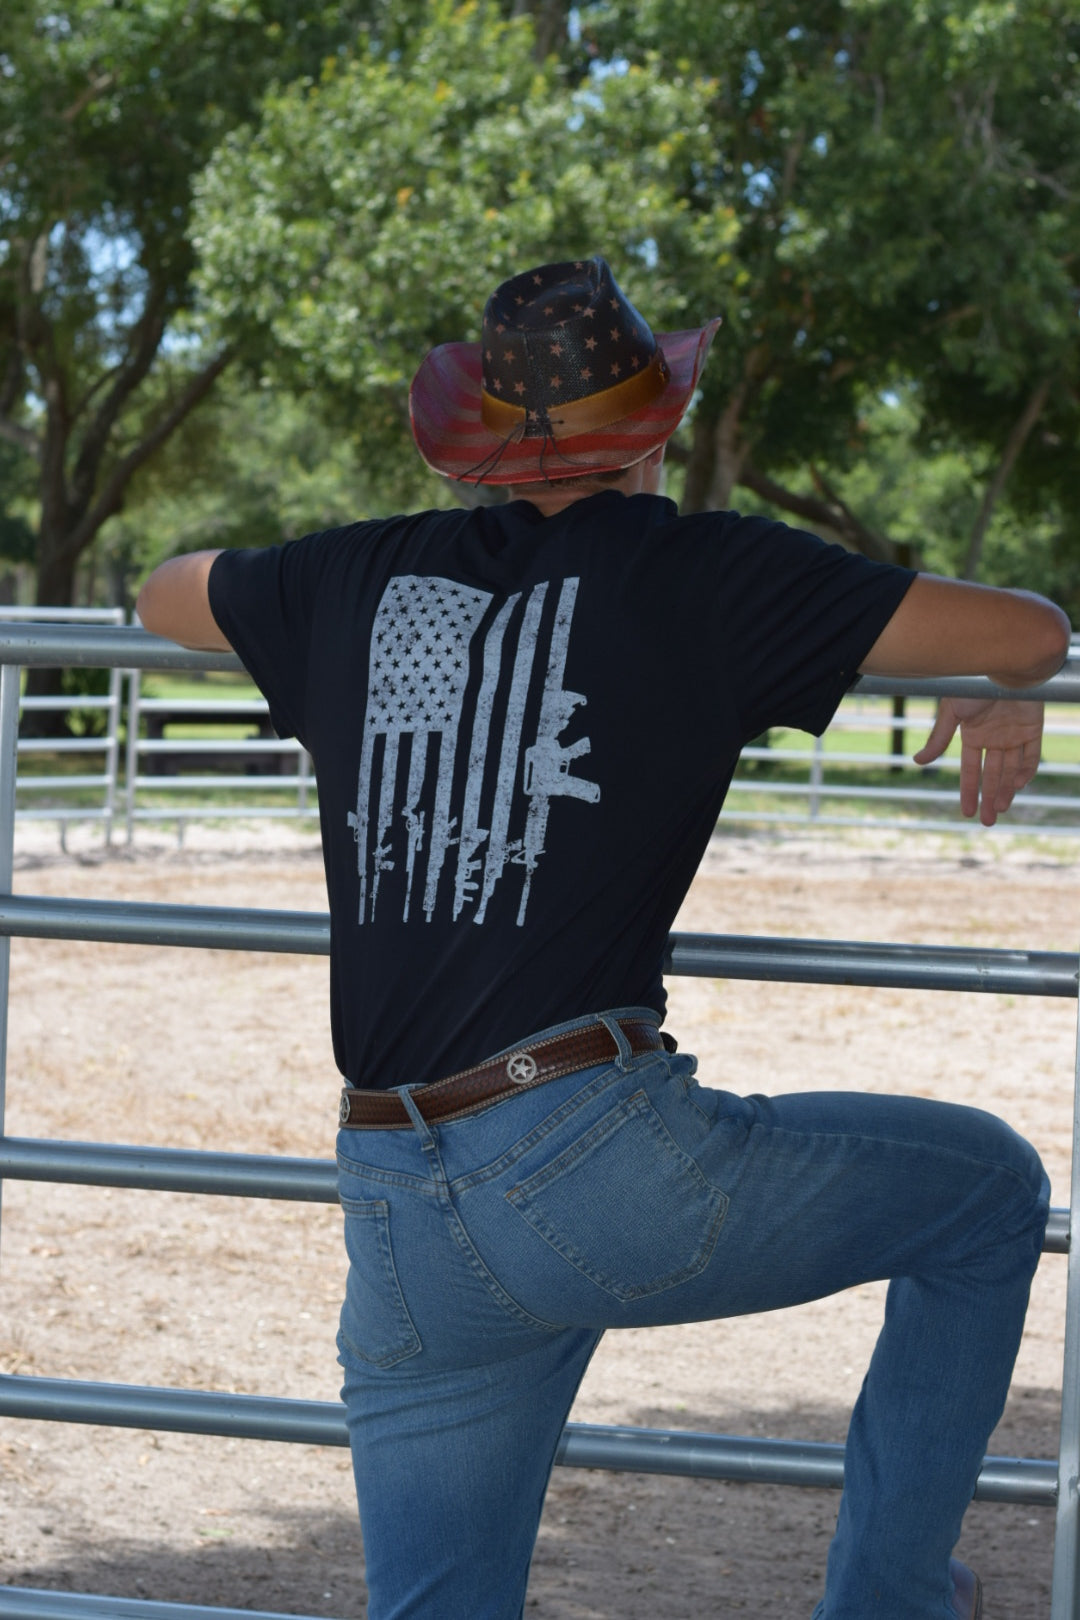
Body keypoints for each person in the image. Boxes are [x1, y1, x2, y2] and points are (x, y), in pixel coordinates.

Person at [137, 255, 1071, 1620]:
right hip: (593, 1156)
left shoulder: (355, 575)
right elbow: (1032, 628)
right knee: (986, 1192)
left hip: (395, 1188)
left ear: (474, 449)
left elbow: (165, 590)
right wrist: (1005, 690)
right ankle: (892, 1601)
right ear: (662, 426)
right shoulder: (710, 574)